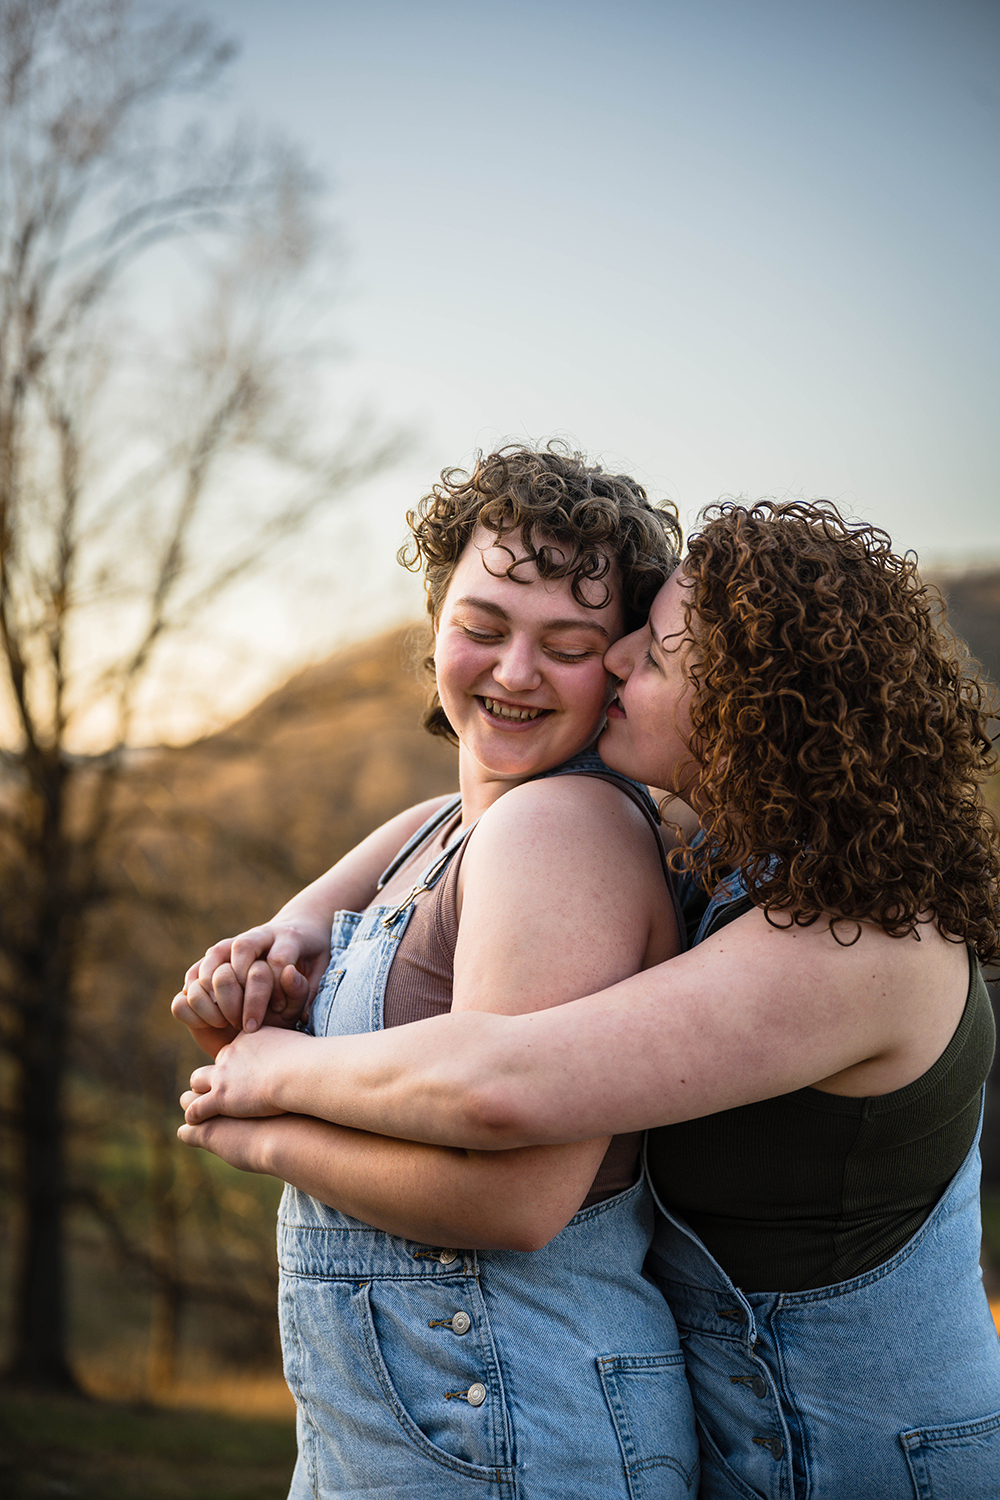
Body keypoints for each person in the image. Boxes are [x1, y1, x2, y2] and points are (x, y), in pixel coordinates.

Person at [181, 499, 1000, 1499]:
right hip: (747, 1444)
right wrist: (302, 928)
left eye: (648, 658)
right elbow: (452, 820)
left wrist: (269, 1087)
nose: (612, 665)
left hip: (872, 1467)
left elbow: (502, 1084)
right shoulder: (738, 869)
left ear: (748, 713)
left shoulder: (858, 943)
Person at [173, 446, 701, 1499]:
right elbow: (254, 995)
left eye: (569, 644)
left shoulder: (565, 831)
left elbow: (518, 1200)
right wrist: (244, 987)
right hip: (418, 1422)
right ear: (434, 625)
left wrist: (267, 1130)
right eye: (483, 628)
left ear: (623, 663)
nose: (513, 672)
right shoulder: (431, 829)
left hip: (510, 1418)